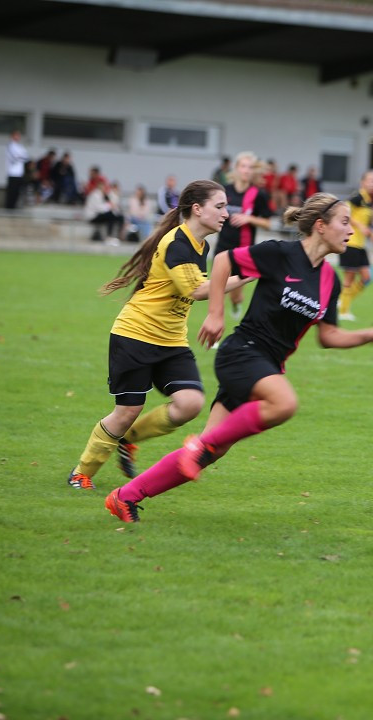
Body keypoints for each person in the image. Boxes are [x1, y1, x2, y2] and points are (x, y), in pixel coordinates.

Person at [104, 192, 373, 522]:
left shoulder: (329, 279)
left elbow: (329, 336)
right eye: (344, 223)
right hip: (242, 354)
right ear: (320, 226)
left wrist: (368, 336)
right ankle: (197, 448)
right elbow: (223, 261)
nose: (350, 231)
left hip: (267, 365)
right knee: (284, 403)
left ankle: (125, 496)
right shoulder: (280, 253)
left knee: (209, 452)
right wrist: (216, 314)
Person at [67, 179, 253, 491]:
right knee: (127, 411)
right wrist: (245, 275)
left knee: (190, 404)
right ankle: (81, 472)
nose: (225, 213)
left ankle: (128, 440)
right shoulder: (177, 243)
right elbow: (196, 290)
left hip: (171, 340)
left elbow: (202, 282)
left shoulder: (200, 245)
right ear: (197, 209)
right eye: (219, 206)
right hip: (135, 335)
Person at [215, 151, 273, 318]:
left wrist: (249, 218)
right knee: (219, 290)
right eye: (243, 166)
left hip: (243, 250)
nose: (246, 170)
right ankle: (215, 332)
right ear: (236, 168)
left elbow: (268, 223)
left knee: (236, 295)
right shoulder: (224, 192)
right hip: (223, 247)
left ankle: (236, 303)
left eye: (250, 167)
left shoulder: (258, 194)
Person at [337, 171, 373, 322]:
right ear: (362, 182)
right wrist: (360, 226)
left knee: (368, 277)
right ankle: (343, 310)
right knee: (349, 278)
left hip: (360, 245)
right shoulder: (357, 197)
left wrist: (372, 233)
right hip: (351, 243)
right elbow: (344, 211)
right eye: (370, 180)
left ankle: (341, 300)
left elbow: (365, 223)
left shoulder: (368, 200)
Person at [4, 130, 29, 210]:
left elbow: (26, 157)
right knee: (11, 193)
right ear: (12, 136)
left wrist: (20, 156)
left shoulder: (20, 147)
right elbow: (14, 158)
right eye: (16, 135)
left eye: (18, 135)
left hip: (19, 173)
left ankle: (14, 208)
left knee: (17, 193)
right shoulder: (10, 146)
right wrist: (20, 156)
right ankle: (8, 209)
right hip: (12, 173)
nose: (17, 137)